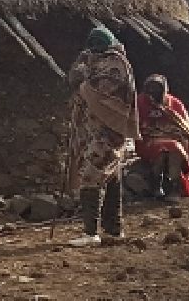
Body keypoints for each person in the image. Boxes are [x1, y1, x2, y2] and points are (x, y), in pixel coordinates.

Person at [63, 27, 139, 247]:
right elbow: (75, 80)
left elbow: (101, 90)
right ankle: (114, 229)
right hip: (97, 131)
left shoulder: (116, 64)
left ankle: (90, 232)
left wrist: (83, 81)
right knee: (111, 178)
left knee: (92, 175)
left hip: (109, 132)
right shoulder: (93, 60)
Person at [136, 74, 189, 202]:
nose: (153, 93)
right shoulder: (138, 103)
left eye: (157, 89)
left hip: (176, 144)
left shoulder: (174, 104)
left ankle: (174, 187)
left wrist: (173, 133)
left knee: (174, 149)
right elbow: (134, 126)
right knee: (165, 150)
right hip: (148, 142)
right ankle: (156, 184)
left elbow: (186, 128)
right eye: (150, 89)